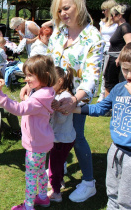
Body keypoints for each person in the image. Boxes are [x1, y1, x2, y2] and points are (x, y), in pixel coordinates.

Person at [20, 0, 105, 203]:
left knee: (77, 137)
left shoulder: (93, 36)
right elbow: (47, 64)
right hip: (51, 96)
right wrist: (33, 83)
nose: (63, 13)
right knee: (53, 134)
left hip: (75, 99)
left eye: (66, 7)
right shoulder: (58, 32)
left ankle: (88, 182)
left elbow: (93, 76)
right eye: (59, 10)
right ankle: (57, 172)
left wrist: (75, 99)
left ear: (79, 6)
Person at [0, 55, 57, 210]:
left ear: (44, 76)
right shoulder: (46, 92)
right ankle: (43, 198)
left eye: (30, 75)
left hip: (34, 145)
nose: (26, 79)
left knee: (30, 176)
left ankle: (28, 206)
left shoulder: (37, 99)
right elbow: (32, 106)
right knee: (41, 171)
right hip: (43, 142)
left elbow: (19, 109)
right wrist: (29, 95)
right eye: (26, 74)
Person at [73, 43, 131, 209]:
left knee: (127, 198)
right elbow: (100, 108)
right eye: (125, 69)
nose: (128, 75)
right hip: (115, 150)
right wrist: (74, 108)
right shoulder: (119, 89)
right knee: (112, 191)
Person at [47, 66, 76, 202]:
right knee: (58, 163)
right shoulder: (59, 94)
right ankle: (59, 182)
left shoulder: (65, 97)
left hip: (62, 140)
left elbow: (62, 118)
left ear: (59, 81)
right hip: (62, 138)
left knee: (54, 166)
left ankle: (56, 193)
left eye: (49, 83)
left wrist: (53, 108)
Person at [104, 4, 131, 98]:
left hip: (116, 60)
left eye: (113, 15)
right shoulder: (119, 27)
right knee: (108, 82)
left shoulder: (125, 27)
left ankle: (109, 107)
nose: (111, 17)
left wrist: (119, 58)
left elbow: (129, 43)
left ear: (119, 16)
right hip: (112, 59)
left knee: (111, 83)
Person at [97, 0, 118, 102]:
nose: (103, 12)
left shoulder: (117, 23)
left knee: (107, 75)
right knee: (99, 73)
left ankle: (103, 95)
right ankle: (98, 93)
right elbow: (100, 36)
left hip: (112, 52)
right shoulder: (102, 22)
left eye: (104, 10)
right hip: (102, 50)